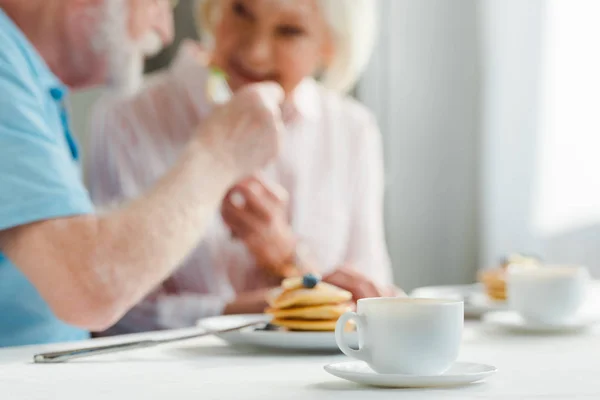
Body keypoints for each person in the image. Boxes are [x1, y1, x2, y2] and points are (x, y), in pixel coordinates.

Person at [87, 0, 400, 334]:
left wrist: (287, 260)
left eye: (289, 31)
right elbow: (112, 314)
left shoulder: (352, 130)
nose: (255, 52)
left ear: (330, 47)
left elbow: (371, 301)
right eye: (241, 11)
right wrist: (265, 307)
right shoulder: (128, 118)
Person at [0, 0, 285, 347]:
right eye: (160, 5)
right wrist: (220, 153)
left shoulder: (27, 76)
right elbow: (91, 287)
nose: (165, 33)